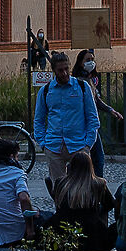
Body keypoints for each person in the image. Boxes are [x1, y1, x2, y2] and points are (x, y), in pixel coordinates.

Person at [31, 50, 100, 197]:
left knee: (82, 189)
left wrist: (88, 144)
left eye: (66, 69)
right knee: (59, 190)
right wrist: (43, 143)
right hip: (54, 146)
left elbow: (92, 118)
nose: (64, 73)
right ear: (54, 71)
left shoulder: (82, 87)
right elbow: (38, 119)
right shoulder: (46, 91)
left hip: (79, 145)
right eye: (60, 70)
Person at [45, 150, 118, 251]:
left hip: (63, 229)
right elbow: (110, 204)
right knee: (117, 227)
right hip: (91, 234)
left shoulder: (61, 182)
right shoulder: (98, 183)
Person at [73, 50, 123, 177]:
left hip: (90, 124)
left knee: (90, 157)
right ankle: (96, 183)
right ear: (80, 63)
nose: (91, 62)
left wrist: (111, 110)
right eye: (87, 60)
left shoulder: (89, 80)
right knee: (97, 158)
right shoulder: (80, 82)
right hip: (84, 124)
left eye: (92, 59)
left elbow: (96, 101)